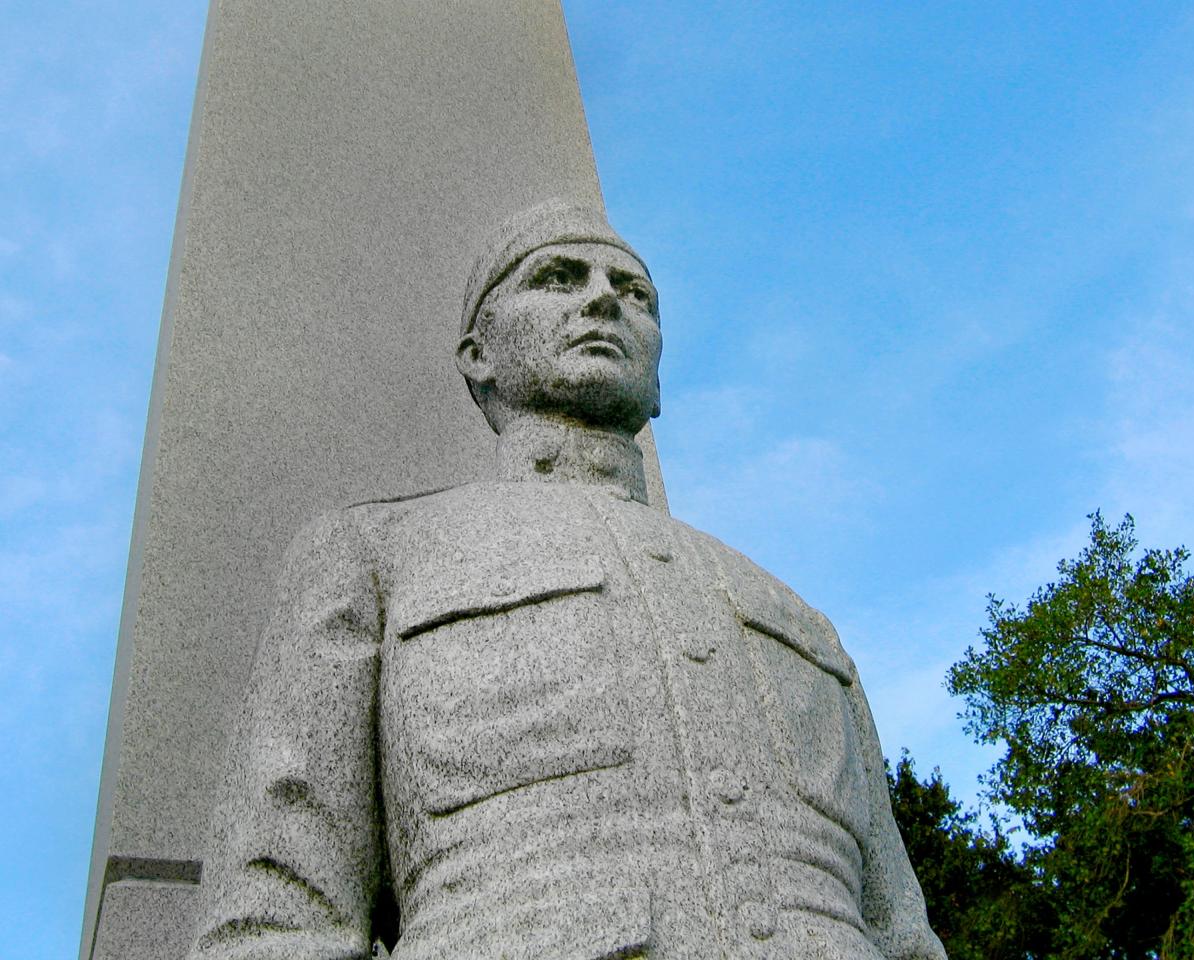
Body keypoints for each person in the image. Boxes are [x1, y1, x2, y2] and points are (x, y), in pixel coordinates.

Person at [189, 200, 944, 960]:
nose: (604, 300)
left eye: (635, 293)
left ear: (658, 378)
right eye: (557, 278)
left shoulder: (797, 616)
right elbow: (277, 910)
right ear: (479, 355)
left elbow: (902, 931)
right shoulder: (375, 554)